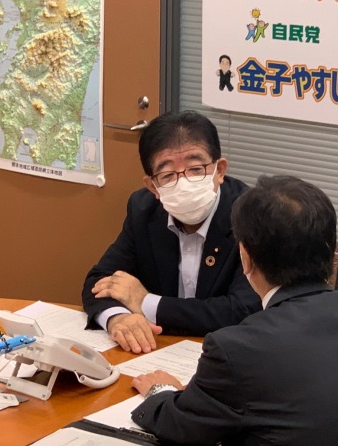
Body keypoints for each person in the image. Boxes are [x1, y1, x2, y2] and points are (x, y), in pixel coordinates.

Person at [130, 175, 338, 445]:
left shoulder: (236, 350)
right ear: (331, 252)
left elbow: (181, 426)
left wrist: (161, 391)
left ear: (245, 258)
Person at [82, 111, 262, 354]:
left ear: (219, 170)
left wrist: (145, 303)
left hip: (227, 354)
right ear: (153, 187)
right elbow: (100, 280)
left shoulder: (251, 215)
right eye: (167, 175)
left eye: (196, 169)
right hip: (157, 351)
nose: (184, 182)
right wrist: (118, 318)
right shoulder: (143, 210)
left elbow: (243, 310)